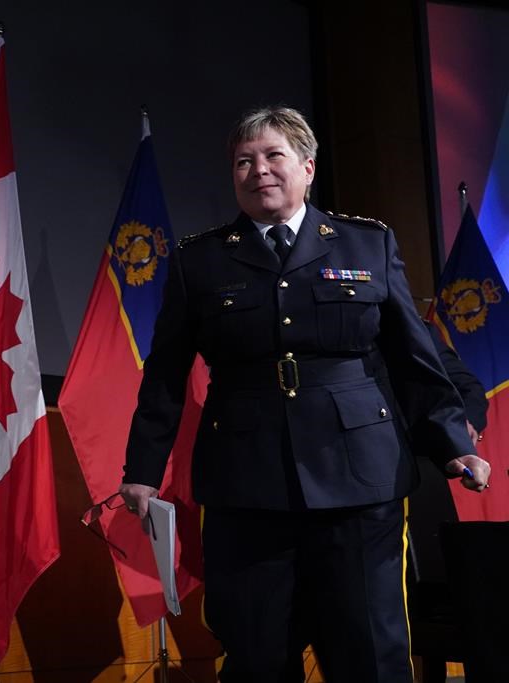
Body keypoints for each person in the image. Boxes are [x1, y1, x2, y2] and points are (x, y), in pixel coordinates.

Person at [118, 106, 492, 683]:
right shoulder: (201, 260)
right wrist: (142, 468)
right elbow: (165, 372)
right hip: (246, 483)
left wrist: (451, 443)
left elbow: (414, 355)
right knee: (256, 653)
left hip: (359, 476)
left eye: (273, 157)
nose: (258, 170)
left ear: (308, 167)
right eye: (244, 161)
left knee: (368, 650)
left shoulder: (366, 244)